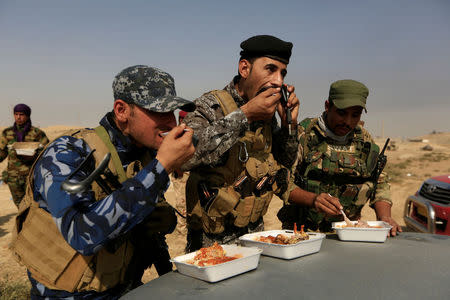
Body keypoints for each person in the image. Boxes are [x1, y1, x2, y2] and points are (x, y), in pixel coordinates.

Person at [10, 65, 196, 299]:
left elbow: (137, 219)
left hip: (126, 287)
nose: (171, 122)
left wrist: (163, 219)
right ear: (121, 110)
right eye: (159, 112)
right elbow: (80, 233)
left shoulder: (144, 153)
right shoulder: (68, 153)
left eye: (172, 112)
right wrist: (160, 167)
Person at [182, 35, 300, 252]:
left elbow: (285, 160)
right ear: (244, 69)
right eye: (270, 69)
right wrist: (244, 115)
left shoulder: (268, 114)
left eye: (282, 73)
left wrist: (288, 126)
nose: (278, 81)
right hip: (211, 244)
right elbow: (185, 156)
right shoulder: (211, 106)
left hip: (254, 235)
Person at [278, 79, 402, 236]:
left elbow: (380, 183)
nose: (347, 122)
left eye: (355, 115)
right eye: (341, 113)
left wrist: (385, 218)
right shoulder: (304, 135)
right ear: (327, 106)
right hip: (303, 233)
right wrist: (313, 199)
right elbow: (282, 182)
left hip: (348, 232)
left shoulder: (364, 141)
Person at [0, 103, 49, 208]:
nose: (18, 117)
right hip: (13, 177)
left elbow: (47, 153)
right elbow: (2, 153)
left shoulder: (37, 133)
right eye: (16, 114)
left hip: (31, 175)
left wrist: (34, 155)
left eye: (21, 114)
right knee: (19, 205)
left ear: (27, 116)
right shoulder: (7, 133)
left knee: (32, 204)